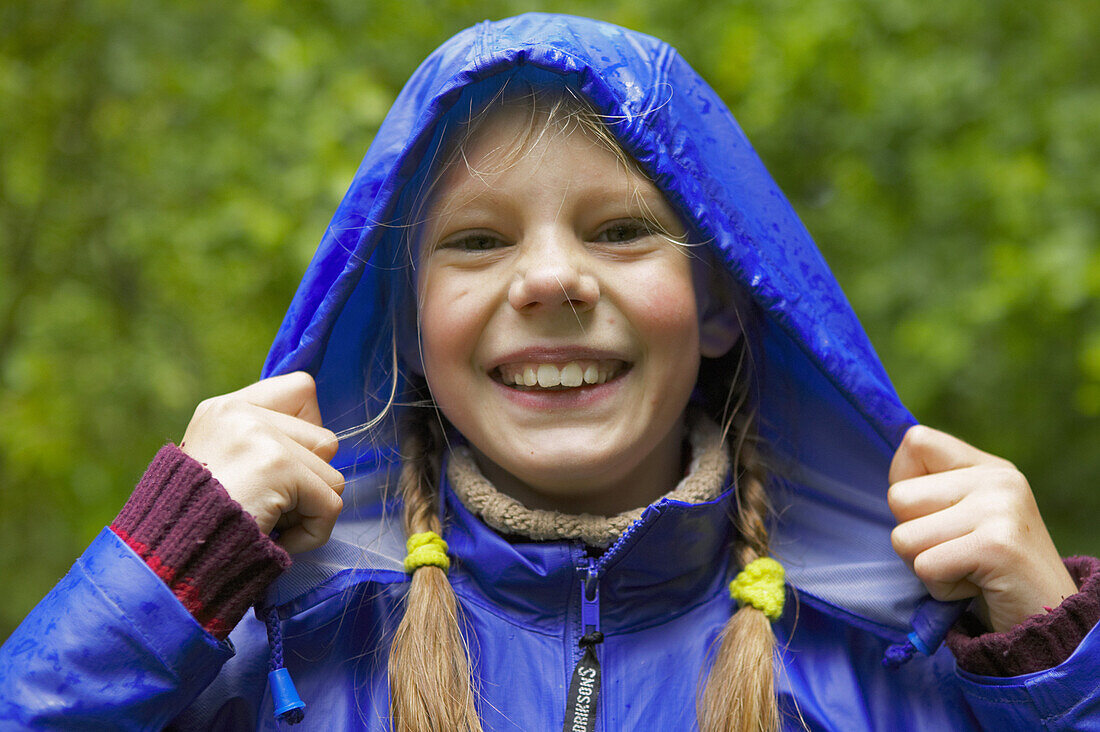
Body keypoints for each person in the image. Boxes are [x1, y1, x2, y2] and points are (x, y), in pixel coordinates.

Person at [2, 13, 1098, 731]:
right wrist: (154, 578)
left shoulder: (898, 670)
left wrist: (1054, 660)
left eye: (620, 230)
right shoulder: (267, 659)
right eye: (477, 242)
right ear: (408, 323)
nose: (550, 281)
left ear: (724, 304)